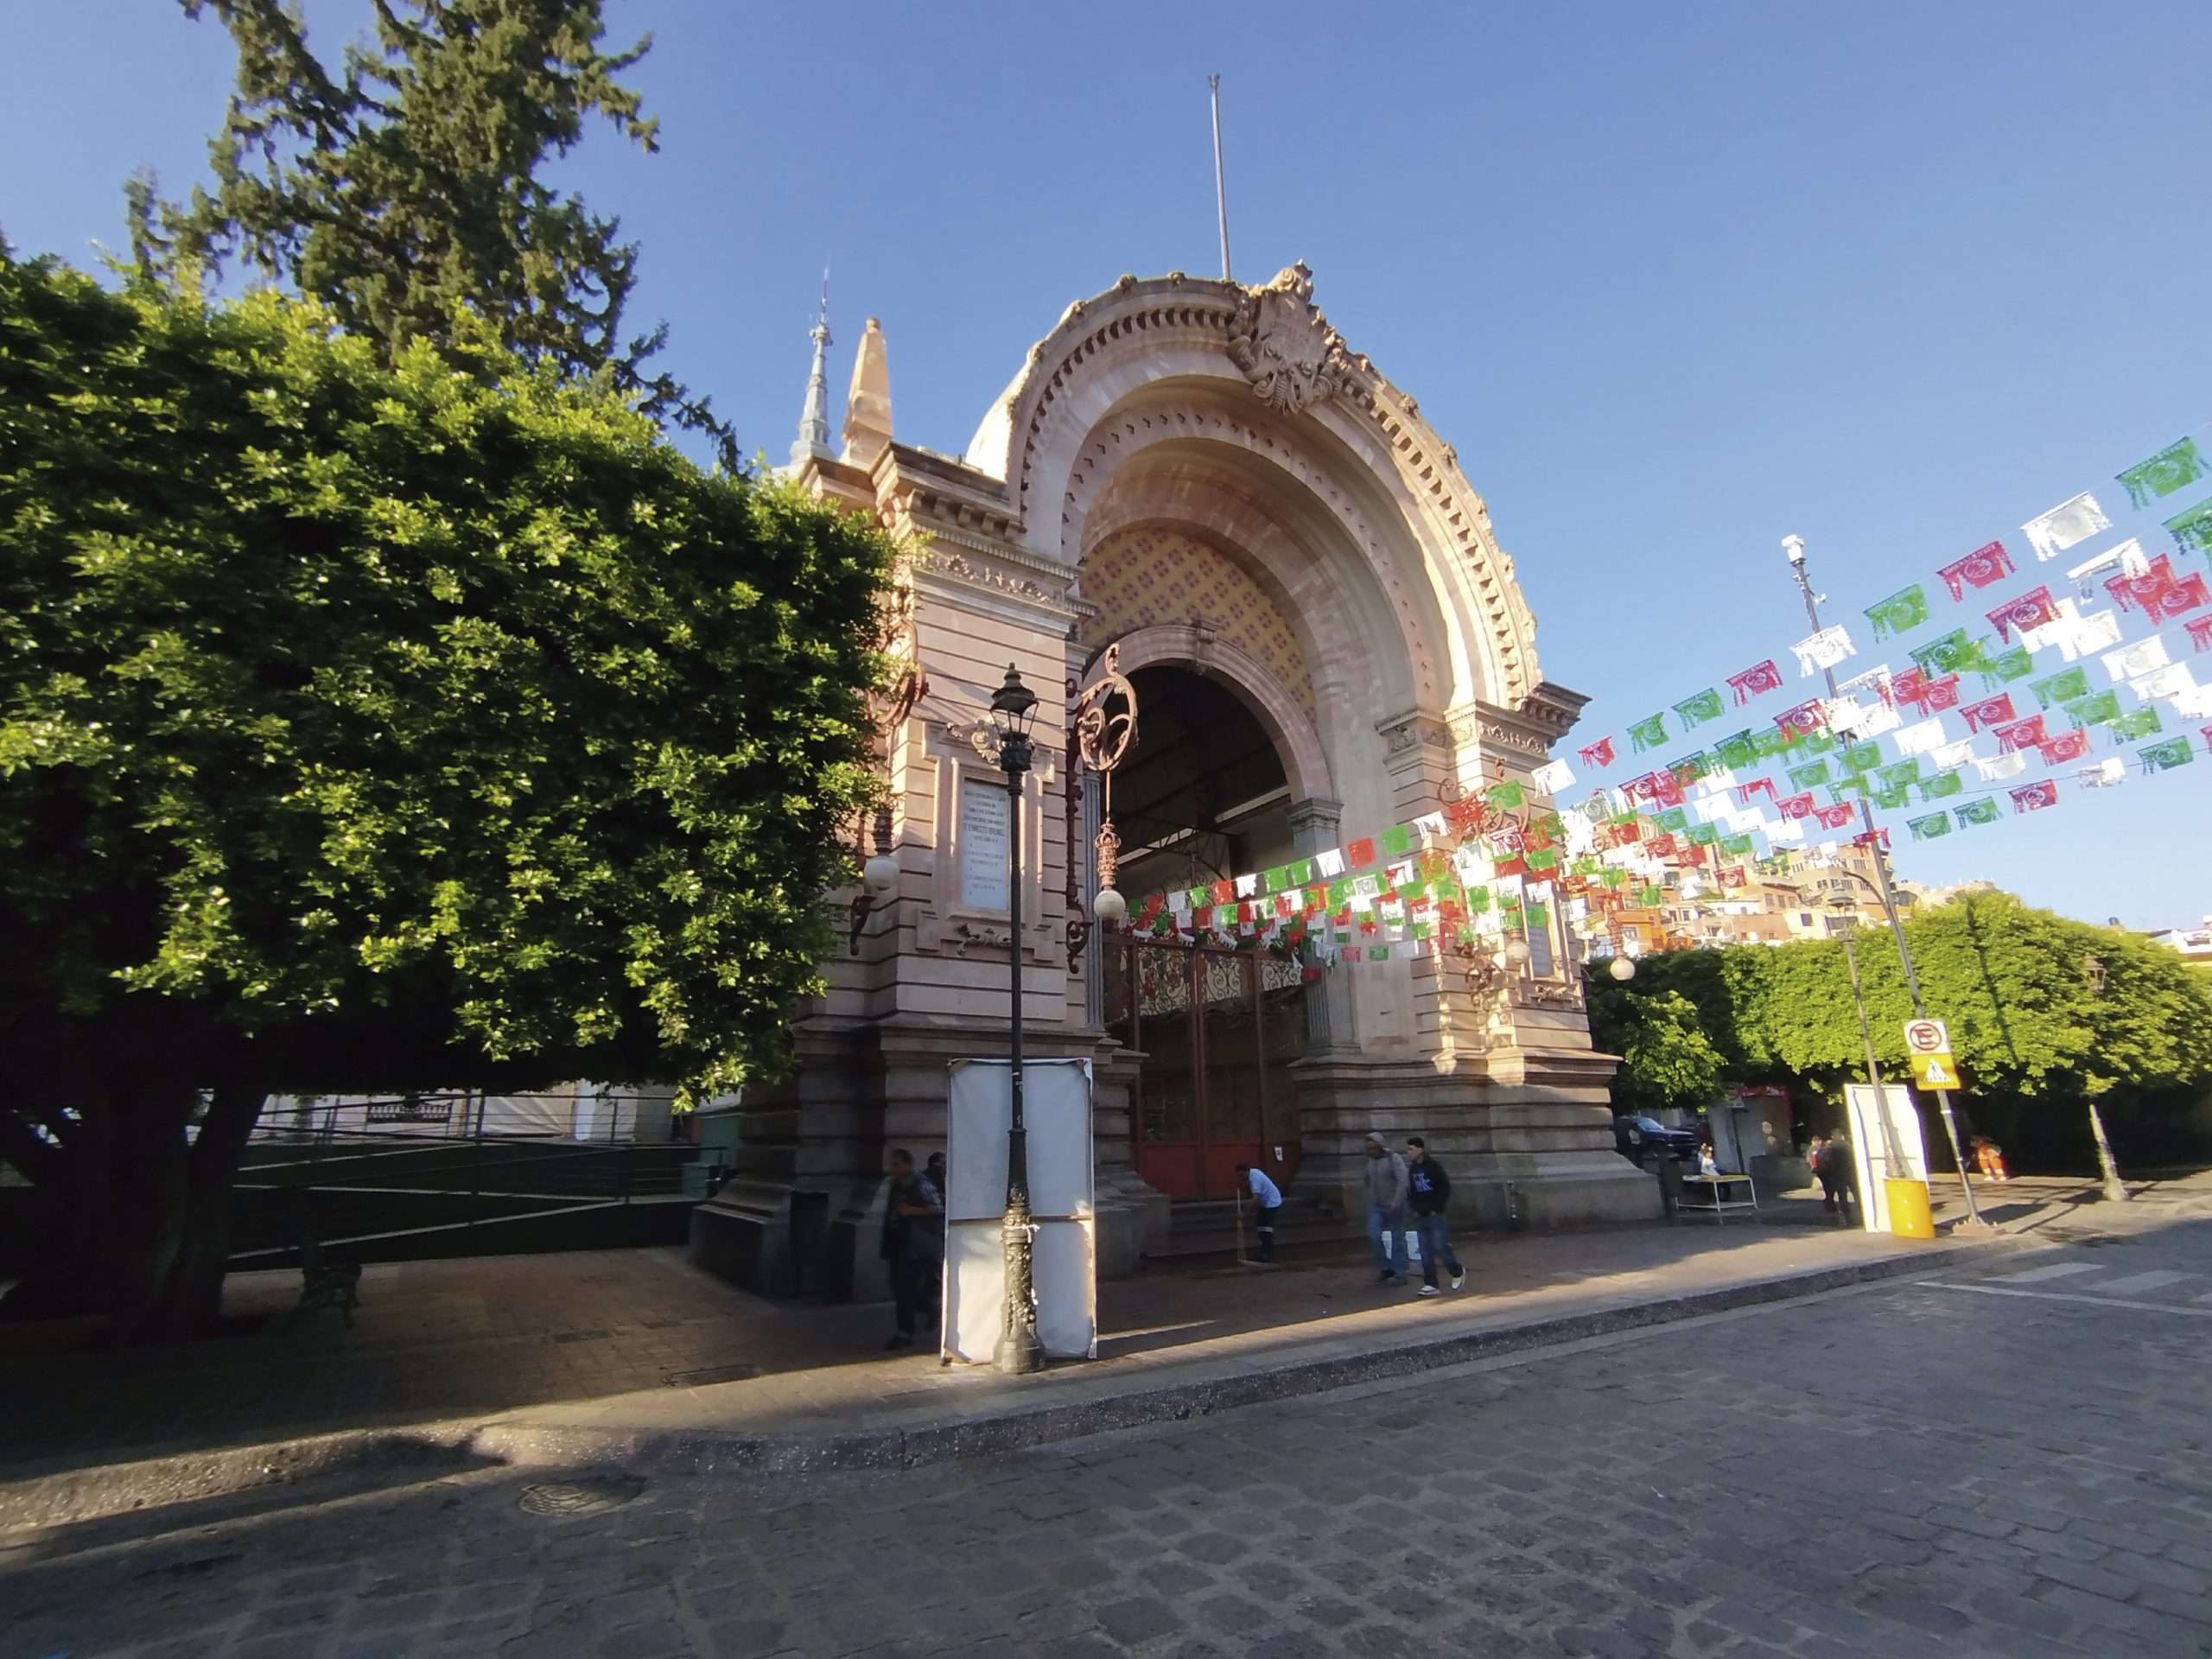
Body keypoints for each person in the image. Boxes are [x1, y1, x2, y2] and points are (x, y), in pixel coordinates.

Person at [880, 1148, 944, 1350]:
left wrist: (911, 1211)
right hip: (900, 1243)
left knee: (909, 1289)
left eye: (897, 1164)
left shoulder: (921, 1184)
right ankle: (913, 1323)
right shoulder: (896, 1186)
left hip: (918, 1245)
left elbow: (937, 1208)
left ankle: (907, 1330)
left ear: (907, 1164)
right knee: (902, 1289)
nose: (893, 1168)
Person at [1403, 1137, 1465, 1297]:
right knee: (1425, 1251)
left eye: (1411, 1149)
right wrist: (1414, 1208)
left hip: (1434, 1214)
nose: (1408, 1152)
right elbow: (1411, 1191)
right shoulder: (1412, 1169)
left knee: (1441, 1246)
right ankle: (1431, 1283)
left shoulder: (1433, 1167)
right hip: (1420, 1214)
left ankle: (1457, 1271)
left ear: (1420, 1149)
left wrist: (1437, 1208)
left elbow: (1444, 1187)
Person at [1363, 1132, 1410, 1286]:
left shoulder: (1393, 1159)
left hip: (1394, 1205)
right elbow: (1368, 1180)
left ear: (1380, 1146)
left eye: (1373, 1147)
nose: (1370, 1151)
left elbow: (1402, 1181)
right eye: (1368, 1148)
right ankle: (1386, 1267)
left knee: (1397, 1238)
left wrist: (1396, 1202)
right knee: (1373, 1235)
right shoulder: (1370, 1161)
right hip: (1377, 1205)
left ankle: (1401, 1272)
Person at [1233, 1162, 1283, 1262]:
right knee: (1260, 1225)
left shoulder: (1255, 1178)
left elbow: (1255, 1198)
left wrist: (1244, 1214)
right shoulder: (1252, 1176)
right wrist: (1243, 1188)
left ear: (1246, 1171)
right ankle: (1262, 1250)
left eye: (1241, 1175)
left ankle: (1267, 1253)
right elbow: (1252, 1194)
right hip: (1264, 1203)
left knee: (1266, 1228)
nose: (1241, 1177)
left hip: (1272, 1202)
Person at [1815, 1133, 1856, 1223]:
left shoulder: (1825, 1151)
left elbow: (1825, 1163)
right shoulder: (1847, 1148)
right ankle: (1853, 1212)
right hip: (1845, 1174)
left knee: (1838, 1195)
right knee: (1851, 1194)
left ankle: (1843, 1213)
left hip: (1833, 1175)